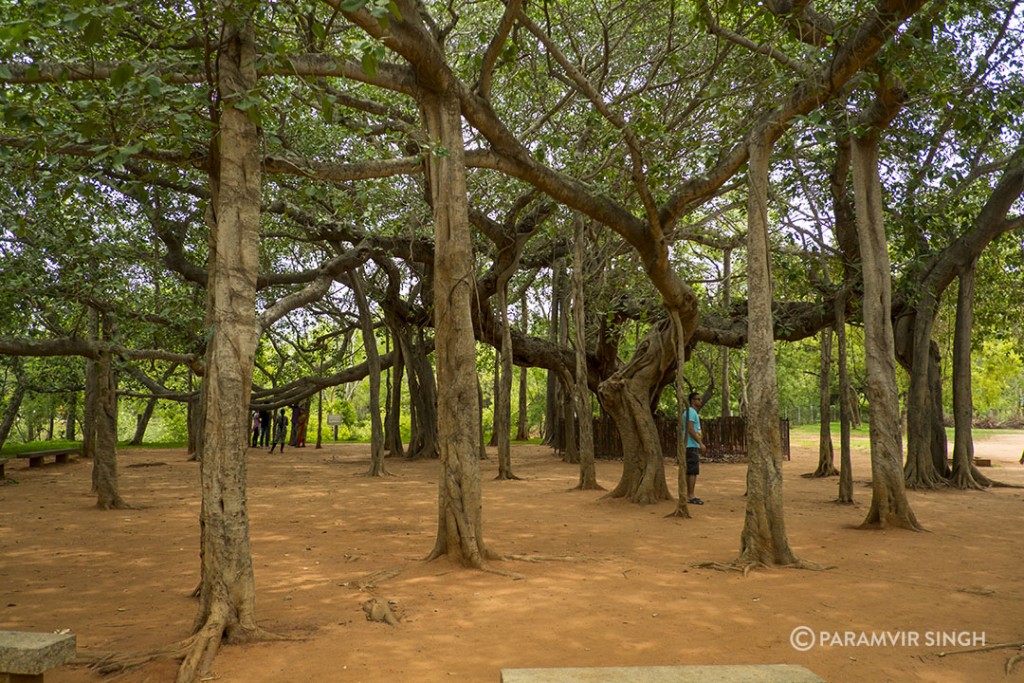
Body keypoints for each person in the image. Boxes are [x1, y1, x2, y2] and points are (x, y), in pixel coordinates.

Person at [682, 392, 707, 505]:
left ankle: (689, 494)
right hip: (691, 445)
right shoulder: (691, 412)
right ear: (693, 401)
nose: (700, 401)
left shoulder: (691, 412)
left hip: (691, 445)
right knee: (692, 471)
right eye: (698, 399)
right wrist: (700, 443)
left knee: (691, 470)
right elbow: (690, 429)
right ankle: (691, 496)